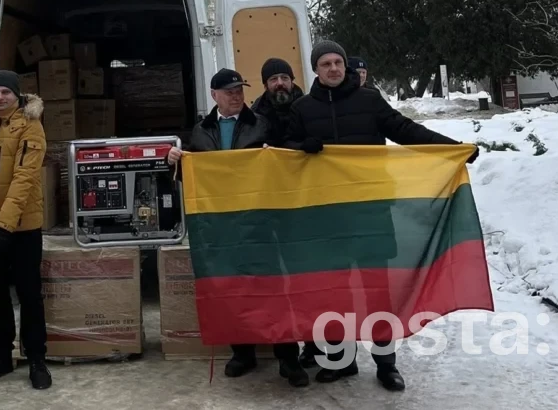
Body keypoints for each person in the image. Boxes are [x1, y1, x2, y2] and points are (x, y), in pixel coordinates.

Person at [286, 40, 479, 392]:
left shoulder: (369, 101)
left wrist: (452, 148)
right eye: (326, 63)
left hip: (372, 214)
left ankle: (386, 364)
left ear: (345, 66)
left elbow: (406, 130)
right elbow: (281, 150)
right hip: (328, 219)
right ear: (316, 69)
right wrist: (301, 147)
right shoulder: (302, 108)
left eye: (338, 62)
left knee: (378, 292)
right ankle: (341, 361)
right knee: (336, 293)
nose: (333, 68)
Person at [166, 68, 309, 388]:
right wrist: (175, 162)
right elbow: (193, 177)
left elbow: (286, 165)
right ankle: (243, 353)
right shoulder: (200, 131)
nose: (236, 95)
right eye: (229, 91)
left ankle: (288, 357)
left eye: (239, 90)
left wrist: (276, 156)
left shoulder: (262, 124)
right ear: (214, 95)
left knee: (273, 289)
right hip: (222, 226)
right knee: (230, 289)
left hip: (261, 224)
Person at [0, 70, 52, 390]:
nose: (1, 97)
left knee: (29, 293)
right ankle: (2, 355)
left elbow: (24, 179)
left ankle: (36, 358)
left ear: (17, 95)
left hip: (23, 226)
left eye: (6, 92)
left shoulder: (31, 125)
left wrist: (6, 224)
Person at [250, 58, 306, 146]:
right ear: (265, 86)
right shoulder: (256, 114)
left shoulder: (306, 107)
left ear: (292, 82)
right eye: (273, 79)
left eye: (284, 78)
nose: (280, 83)